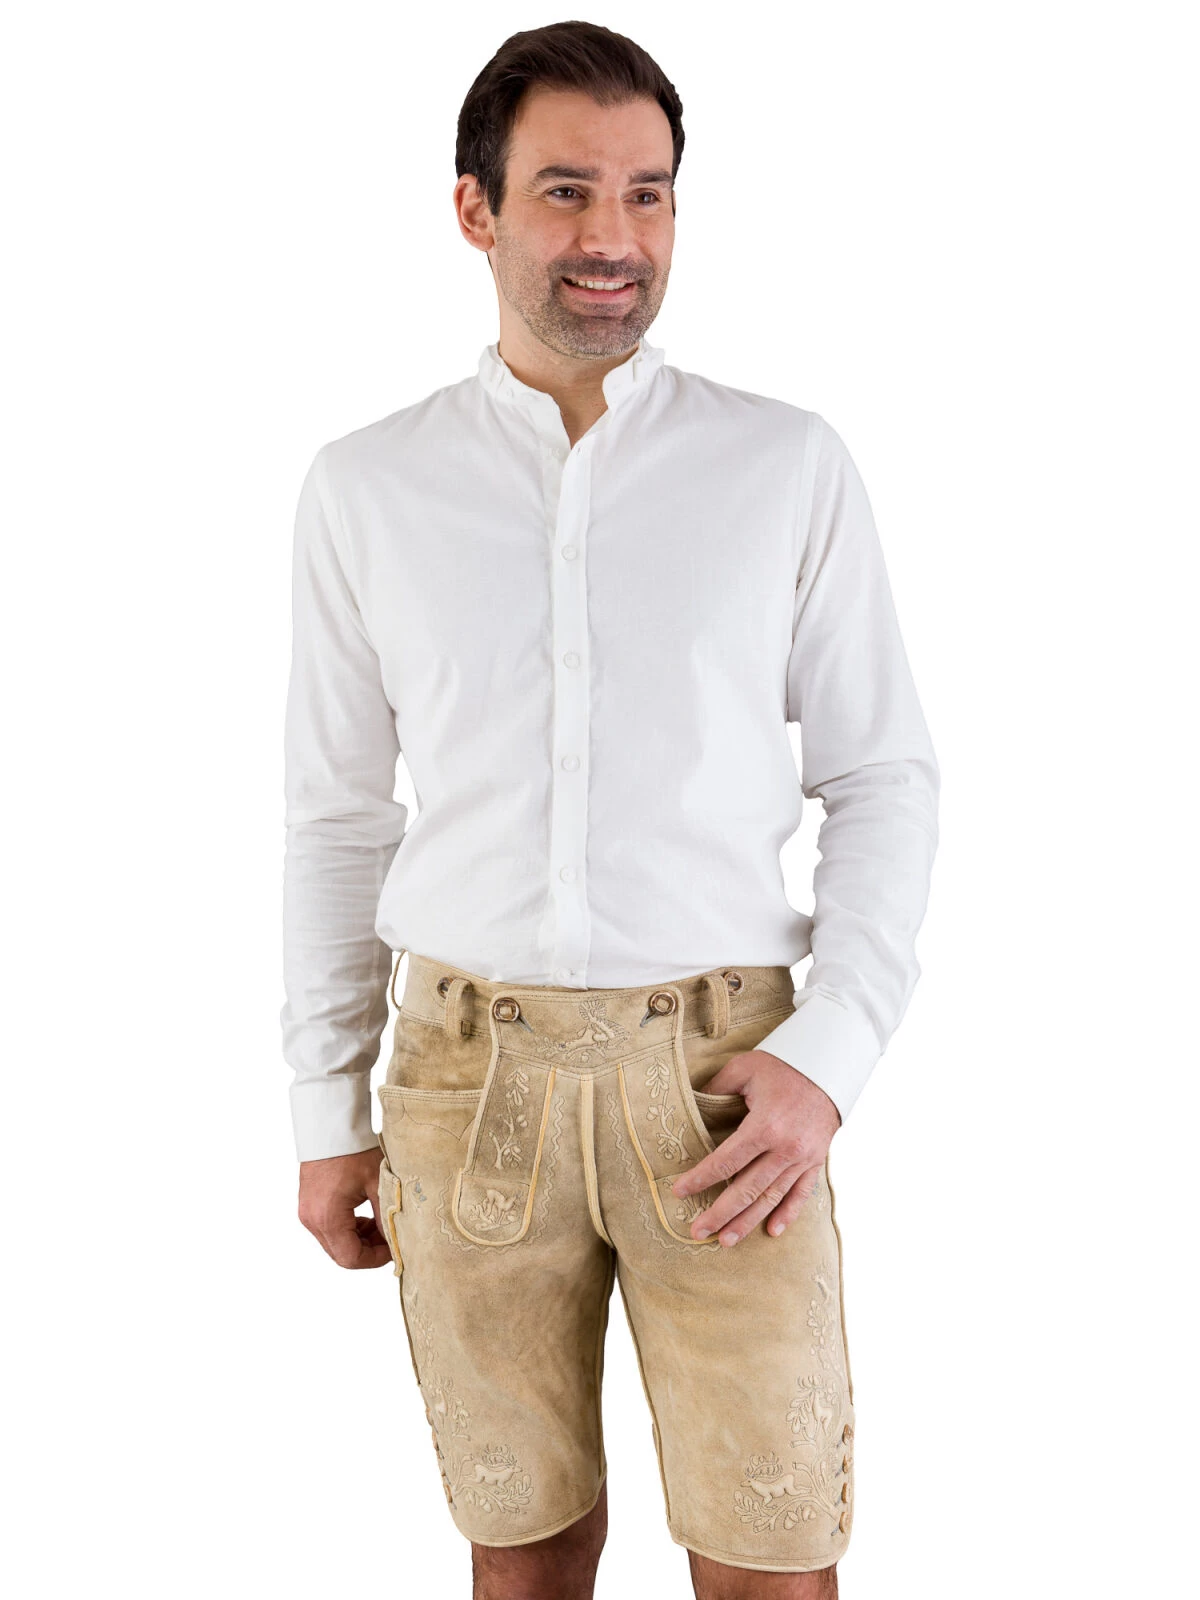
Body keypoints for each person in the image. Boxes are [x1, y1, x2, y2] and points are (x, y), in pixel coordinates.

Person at [280, 20, 939, 1599]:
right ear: (476, 209)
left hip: (726, 1092)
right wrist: (323, 1109)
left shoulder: (783, 466)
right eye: (567, 191)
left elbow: (882, 775)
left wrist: (832, 1055)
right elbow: (335, 815)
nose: (613, 240)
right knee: (523, 1553)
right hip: (463, 1081)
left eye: (649, 194)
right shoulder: (367, 487)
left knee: (774, 1554)